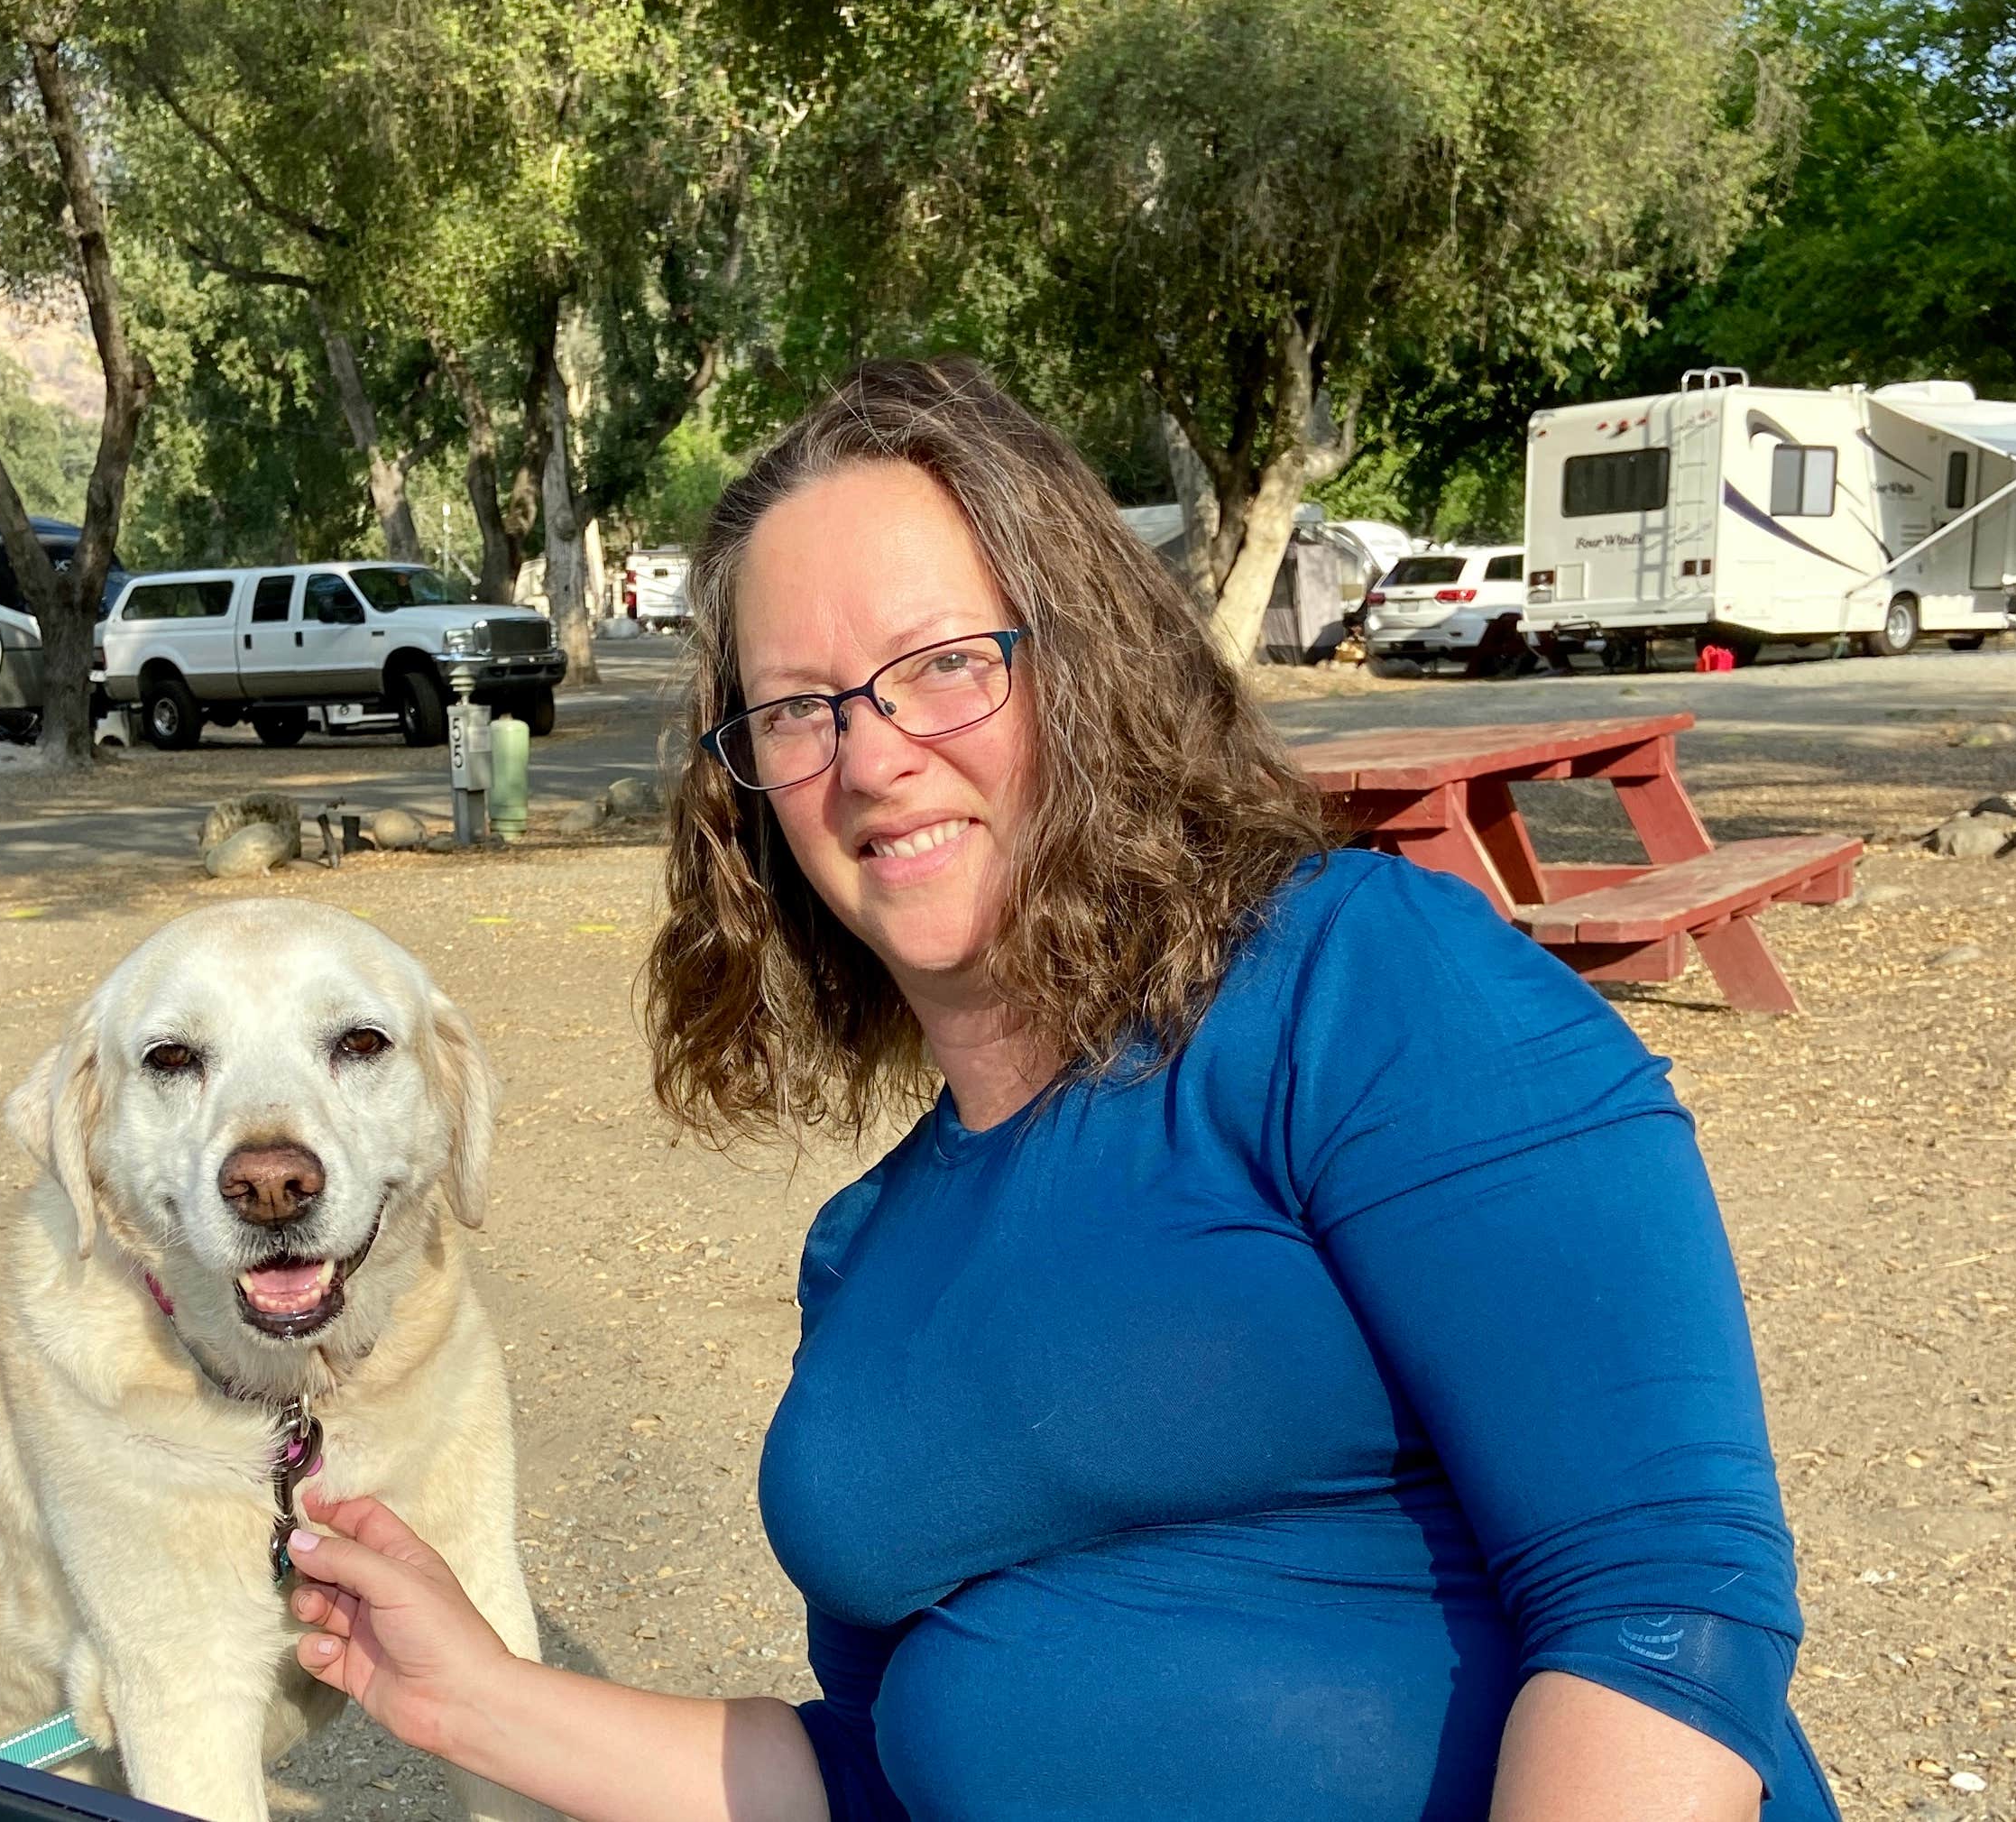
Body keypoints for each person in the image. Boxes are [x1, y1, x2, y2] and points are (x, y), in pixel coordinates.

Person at [281, 359, 1839, 1822]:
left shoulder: (1354, 985)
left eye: (943, 665)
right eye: (795, 708)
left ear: (1083, 663)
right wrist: (475, 1698)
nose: (871, 759)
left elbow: (1660, 1613)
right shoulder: (866, 1253)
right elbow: (879, 1776)